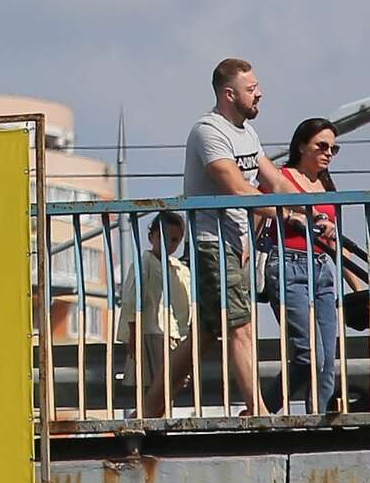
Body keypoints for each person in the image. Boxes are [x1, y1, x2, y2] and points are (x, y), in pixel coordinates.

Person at [181, 58, 295, 417]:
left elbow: (275, 181)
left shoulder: (247, 133)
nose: (260, 94)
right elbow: (236, 188)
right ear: (229, 94)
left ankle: (150, 407)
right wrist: (288, 217)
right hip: (212, 242)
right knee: (240, 327)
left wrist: (313, 209)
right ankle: (258, 412)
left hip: (235, 243)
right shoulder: (208, 131)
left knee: (204, 336)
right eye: (252, 89)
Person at [264, 117, 351, 413]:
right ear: (302, 146)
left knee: (327, 362)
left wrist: (359, 287)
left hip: (322, 268)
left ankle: (320, 418)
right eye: (322, 146)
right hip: (288, 264)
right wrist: (290, 216)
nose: (328, 153)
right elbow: (257, 211)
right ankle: (263, 409)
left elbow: (333, 243)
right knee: (309, 354)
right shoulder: (281, 178)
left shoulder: (326, 186)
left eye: (333, 149)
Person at [116, 210, 193, 417]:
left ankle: (148, 418)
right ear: (152, 237)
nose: (169, 244)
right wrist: (134, 333)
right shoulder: (145, 262)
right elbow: (133, 299)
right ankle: (143, 418)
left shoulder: (177, 268)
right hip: (152, 332)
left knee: (172, 382)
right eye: (163, 238)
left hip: (172, 333)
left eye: (175, 240)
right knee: (162, 383)